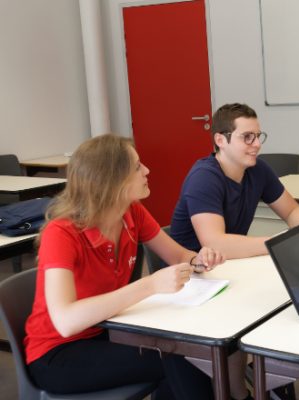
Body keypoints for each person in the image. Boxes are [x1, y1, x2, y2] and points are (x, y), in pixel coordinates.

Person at [23, 134, 229, 399]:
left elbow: (178, 254)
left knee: (188, 348)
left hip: (108, 331)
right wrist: (149, 285)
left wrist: (198, 260)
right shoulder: (61, 233)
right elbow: (66, 321)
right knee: (180, 357)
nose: (147, 170)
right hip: (58, 353)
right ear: (111, 180)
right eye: (136, 166)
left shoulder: (132, 212)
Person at [170, 103, 299, 259]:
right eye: (247, 137)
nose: (257, 144)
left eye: (258, 136)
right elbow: (216, 244)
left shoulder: (258, 169)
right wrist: (278, 243)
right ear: (220, 140)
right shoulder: (203, 178)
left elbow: (292, 211)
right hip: (191, 276)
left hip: (228, 265)